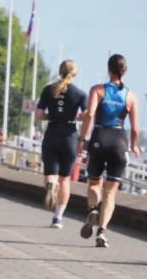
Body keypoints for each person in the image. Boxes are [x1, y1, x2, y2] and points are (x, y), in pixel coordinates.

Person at [77, 54, 141, 248]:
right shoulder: (131, 96)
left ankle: (92, 209)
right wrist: (134, 144)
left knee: (94, 184)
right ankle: (102, 232)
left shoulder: (98, 90)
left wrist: (81, 139)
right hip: (119, 142)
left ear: (108, 69)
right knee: (111, 192)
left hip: (99, 139)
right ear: (125, 71)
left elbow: (89, 114)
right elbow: (136, 129)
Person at [36, 60, 88, 229]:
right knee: (65, 179)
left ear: (59, 72)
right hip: (69, 136)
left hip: (52, 134)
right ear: (75, 74)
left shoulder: (48, 90)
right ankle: (57, 218)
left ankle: (51, 185)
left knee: (50, 174)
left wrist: (51, 116)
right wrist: (79, 119)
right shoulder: (80, 94)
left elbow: (38, 114)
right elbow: (87, 115)